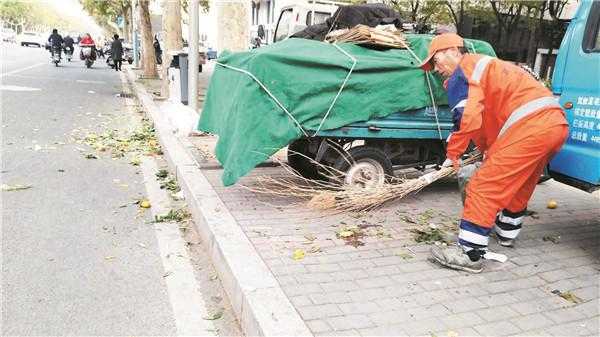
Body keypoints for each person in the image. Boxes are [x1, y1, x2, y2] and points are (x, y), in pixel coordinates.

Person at [419, 33, 569, 273]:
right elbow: (491, 118)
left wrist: (453, 154)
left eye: (435, 62)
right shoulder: (488, 66)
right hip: (555, 125)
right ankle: (507, 232)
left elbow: (465, 118)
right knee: (521, 183)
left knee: (483, 185)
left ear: (451, 51)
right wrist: (489, 151)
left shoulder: (464, 71)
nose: (436, 70)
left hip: (529, 127)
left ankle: (470, 253)